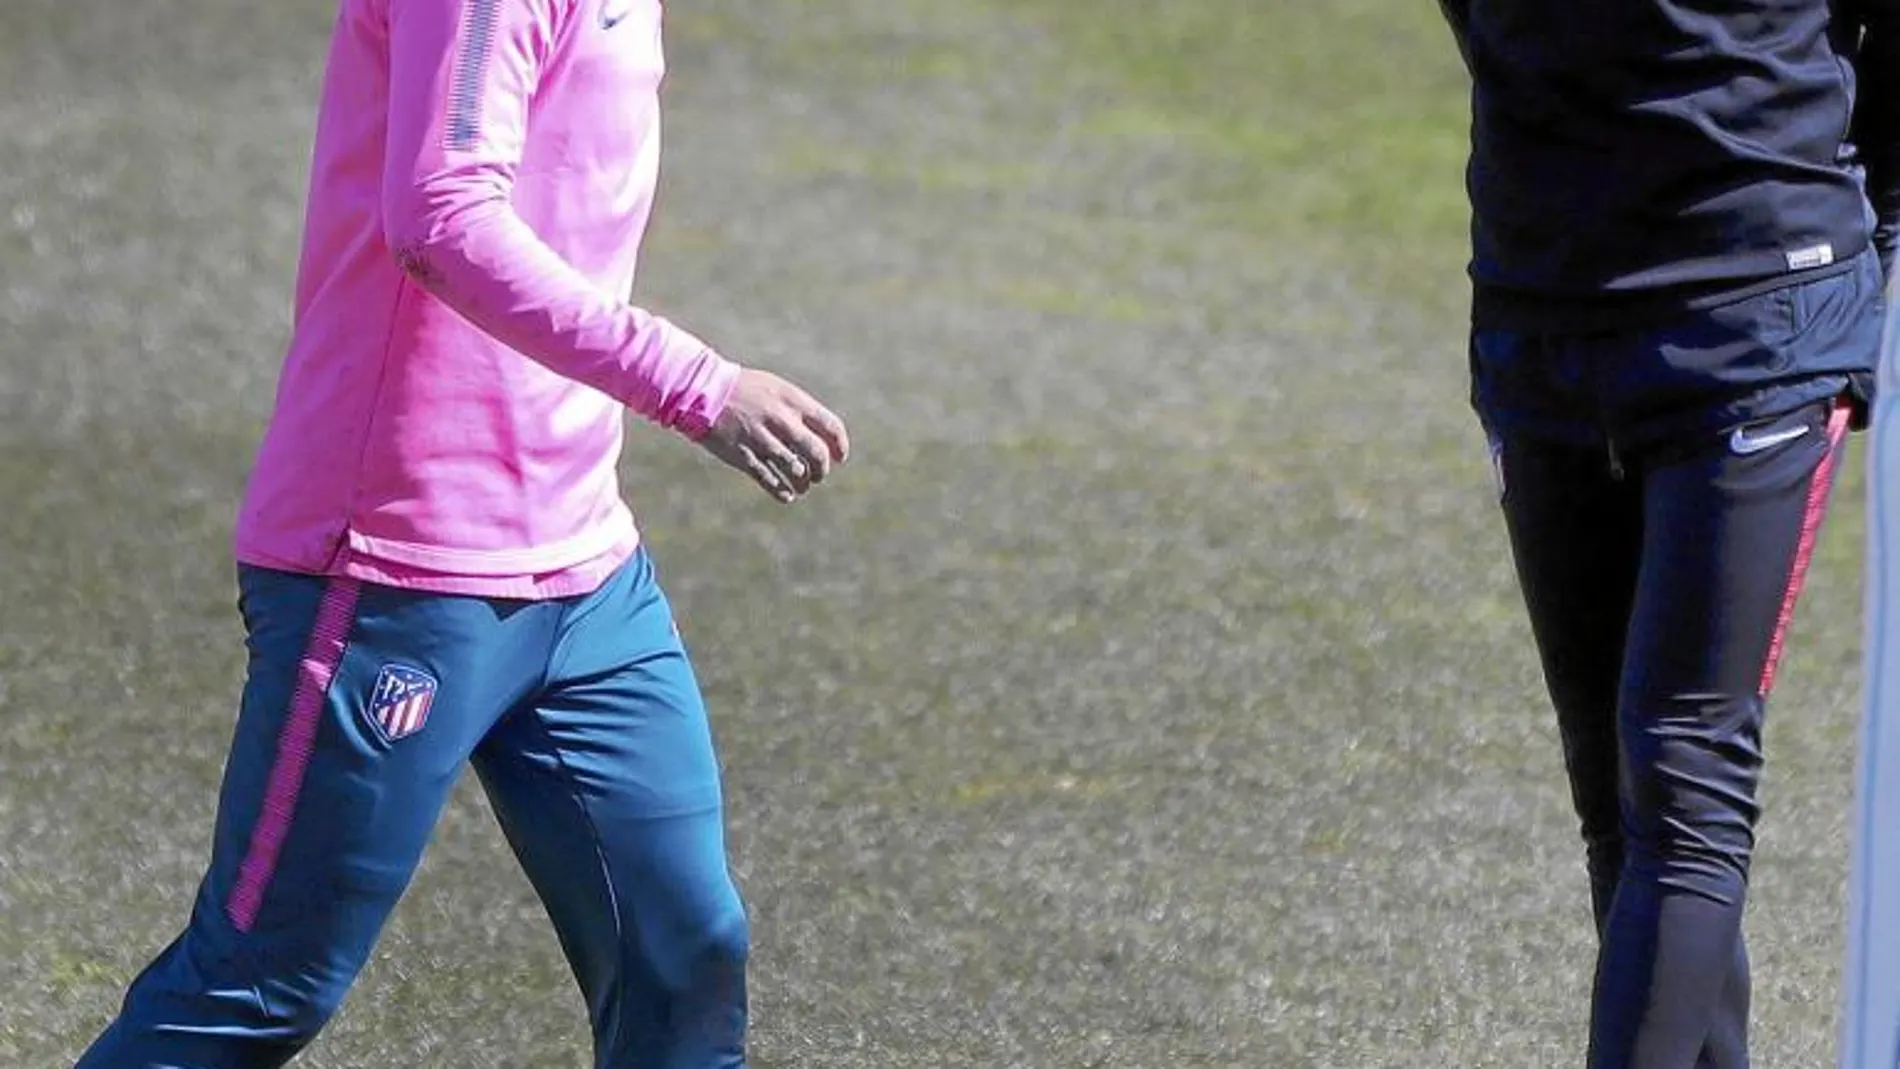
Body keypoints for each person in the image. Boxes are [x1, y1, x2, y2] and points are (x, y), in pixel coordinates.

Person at [74, 0, 850, 1066]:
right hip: (401, 566)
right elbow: (441, 214)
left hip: (585, 570)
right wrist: (698, 386)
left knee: (683, 948)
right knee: (258, 988)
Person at [1435, 0, 1896, 1066]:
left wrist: (1867, 243)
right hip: (1541, 312)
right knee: (1622, 796)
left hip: (1753, 319)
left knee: (1678, 783)